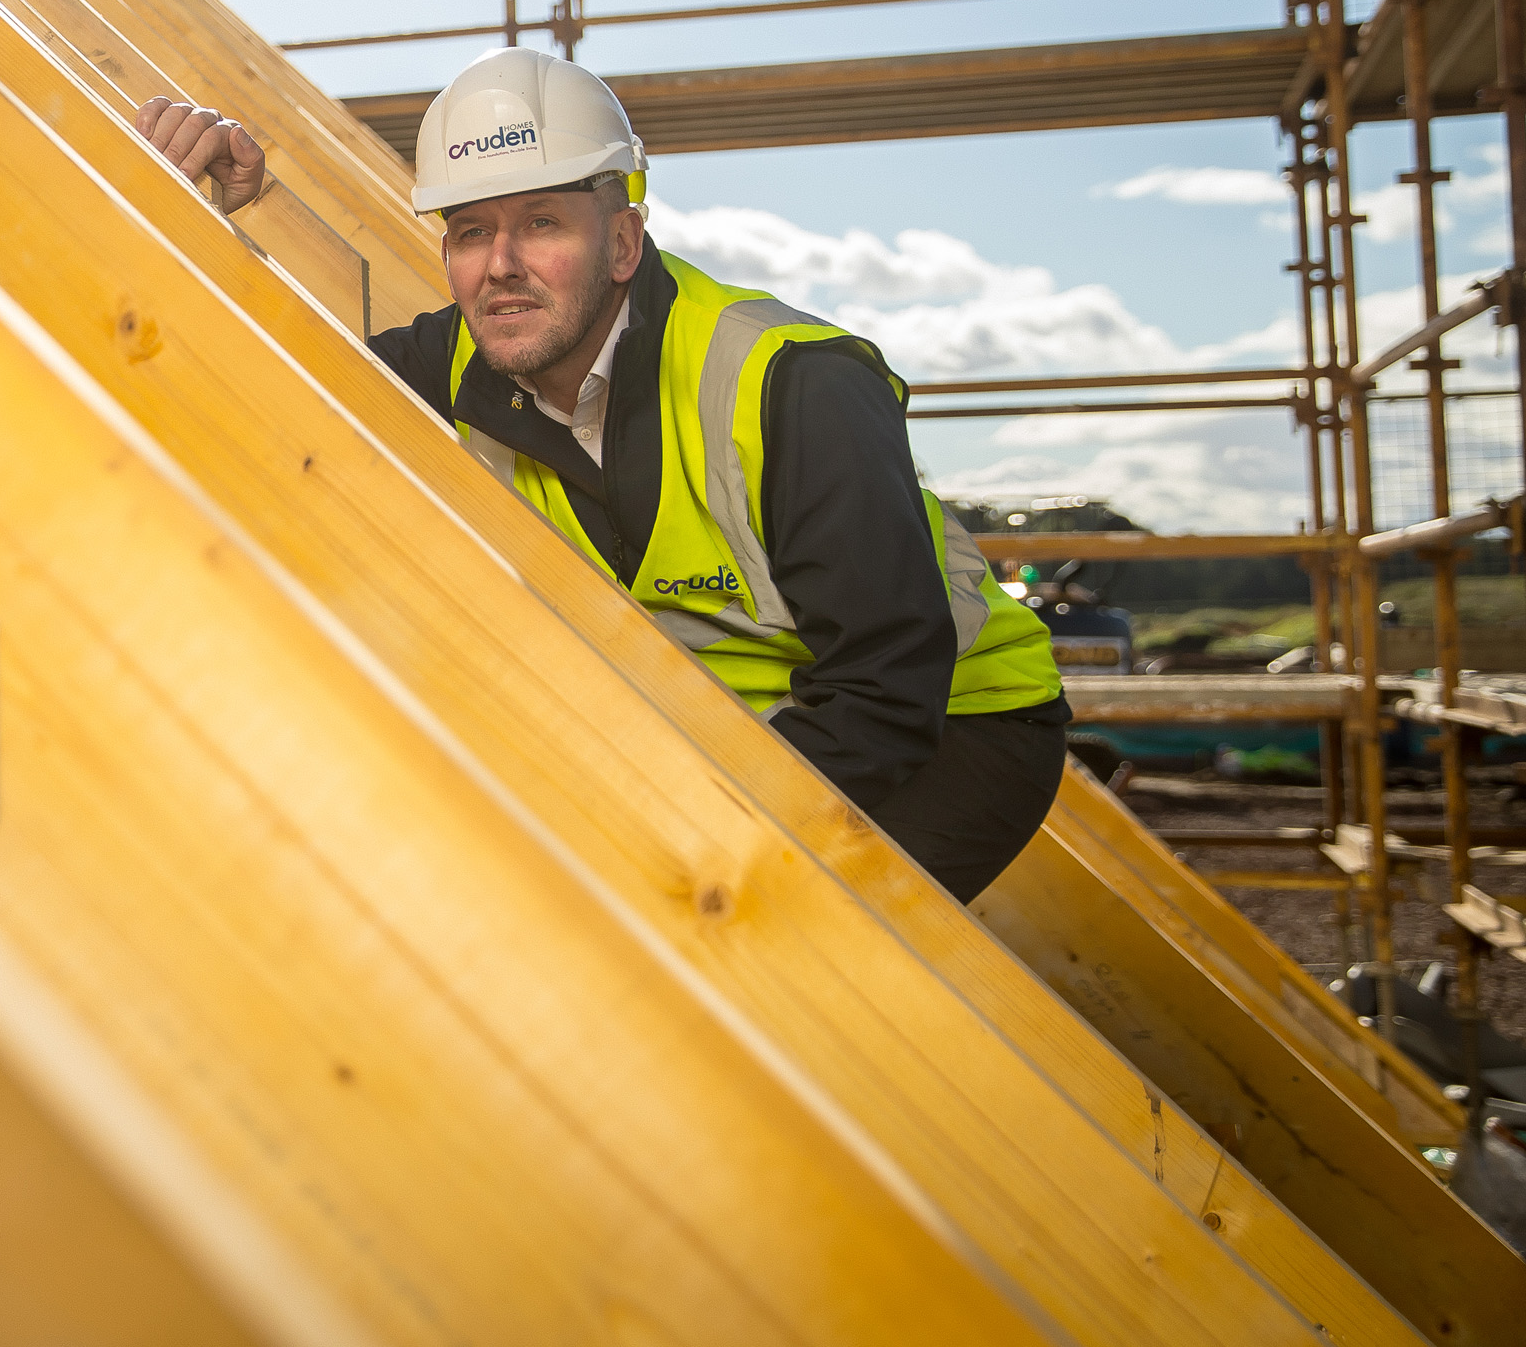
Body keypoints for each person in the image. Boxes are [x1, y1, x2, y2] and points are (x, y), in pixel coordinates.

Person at [132, 49, 1070, 902]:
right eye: (469, 232)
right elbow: (267, 392)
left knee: (774, 947)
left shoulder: (793, 385)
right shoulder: (464, 358)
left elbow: (884, 693)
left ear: (623, 242)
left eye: (542, 223)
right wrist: (201, 217)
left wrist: (693, 847)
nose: (501, 266)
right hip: (719, 721)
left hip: (954, 729)